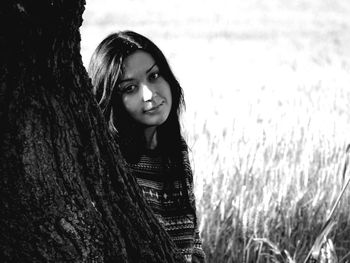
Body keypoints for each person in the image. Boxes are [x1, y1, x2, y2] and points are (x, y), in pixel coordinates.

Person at [88, 30, 206, 263]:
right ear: (112, 98)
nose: (150, 94)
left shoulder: (174, 151)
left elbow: (194, 244)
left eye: (154, 76)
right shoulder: (110, 161)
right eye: (130, 88)